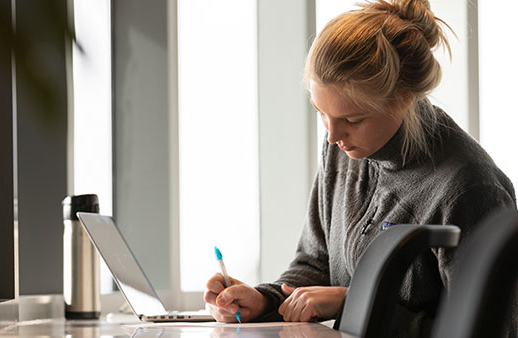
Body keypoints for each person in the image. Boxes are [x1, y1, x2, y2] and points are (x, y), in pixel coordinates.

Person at [203, 0, 517, 337]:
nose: (332, 134)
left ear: (404, 97)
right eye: (320, 112)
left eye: (352, 120)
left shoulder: (469, 187)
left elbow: (493, 331)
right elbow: (315, 263)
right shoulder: (342, 149)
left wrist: (356, 302)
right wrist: (264, 301)